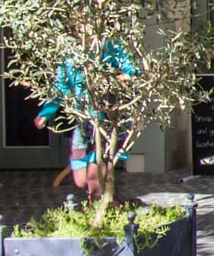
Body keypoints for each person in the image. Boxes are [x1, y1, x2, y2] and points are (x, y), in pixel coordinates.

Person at [35, 39, 138, 200]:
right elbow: (60, 86)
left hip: (106, 122)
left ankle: (99, 209)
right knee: (81, 180)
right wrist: (45, 113)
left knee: (94, 178)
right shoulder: (70, 54)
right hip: (83, 124)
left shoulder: (109, 46)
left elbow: (131, 68)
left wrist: (124, 77)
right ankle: (113, 201)